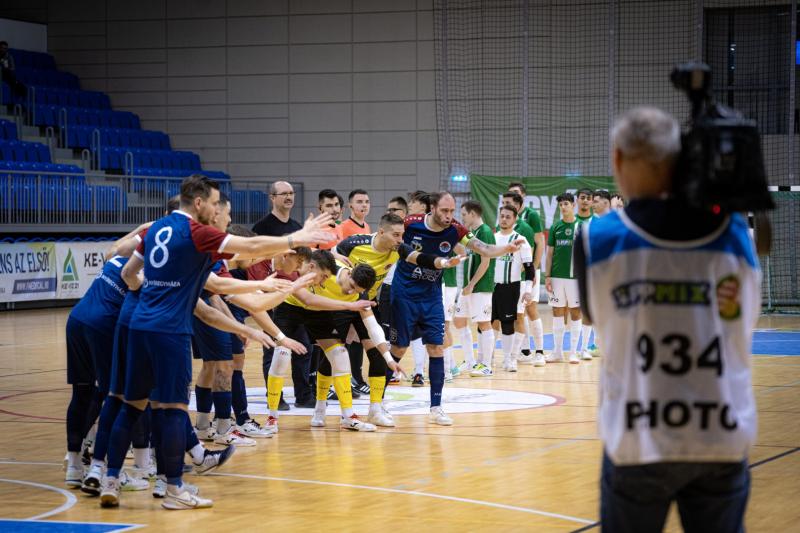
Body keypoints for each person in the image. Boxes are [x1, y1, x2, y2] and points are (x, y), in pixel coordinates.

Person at [100, 175, 334, 510]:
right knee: (172, 410)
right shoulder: (197, 232)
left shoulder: (155, 229)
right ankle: (174, 489)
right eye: (213, 203)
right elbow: (250, 247)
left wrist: (160, 294)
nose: (215, 209)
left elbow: (128, 275)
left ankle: (111, 478)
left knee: (132, 404)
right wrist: (297, 238)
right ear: (198, 203)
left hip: (138, 326)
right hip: (169, 331)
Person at [576, 106, 759, 533]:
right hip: (721, 432)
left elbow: (591, 314)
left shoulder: (596, 238)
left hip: (639, 436)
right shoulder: (736, 232)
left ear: (618, 159)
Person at [389, 191, 524, 425]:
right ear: (432, 208)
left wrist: (506, 249)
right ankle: (376, 402)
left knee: (436, 346)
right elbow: (395, 244)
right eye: (444, 210)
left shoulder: (456, 230)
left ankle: (436, 407)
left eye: (452, 211)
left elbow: (484, 249)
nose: (449, 215)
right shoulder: (411, 224)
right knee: (399, 347)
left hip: (431, 296)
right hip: (405, 294)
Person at [334, 213, 405, 423]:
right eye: (396, 235)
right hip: (341, 304)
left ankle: (375, 409)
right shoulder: (354, 243)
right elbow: (329, 259)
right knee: (334, 355)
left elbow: (420, 258)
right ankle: (324, 409)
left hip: (366, 304)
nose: (400, 240)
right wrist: (333, 255)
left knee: (376, 355)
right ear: (381, 232)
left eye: (402, 235)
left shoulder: (398, 250)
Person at [251, 180, 309, 410]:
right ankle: (275, 396)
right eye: (283, 193)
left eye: (291, 193)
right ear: (272, 198)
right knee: (274, 346)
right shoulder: (262, 226)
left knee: (304, 346)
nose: (289, 197)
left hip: (294, 295)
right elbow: (254, 258)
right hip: (269, 292)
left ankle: (304, 395)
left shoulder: (296, 225)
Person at [500, 191, 546, 365]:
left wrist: (532, 270)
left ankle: (539, 351)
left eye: (508, 202)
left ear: (518, 206)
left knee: (531, 309)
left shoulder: (526, 226)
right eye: (503, 202)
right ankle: (525, 351)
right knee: (518, 314)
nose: (504, 204)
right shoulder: (503, 227)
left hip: (524, 276)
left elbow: (535, 247)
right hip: (510, 278)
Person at [453, 200, 497, 377]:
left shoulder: (485, 232)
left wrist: (472, 284)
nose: (462, 218)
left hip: (480, 286)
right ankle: (470, 361)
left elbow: (486, 261)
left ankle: (486, 365)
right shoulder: (472, 233)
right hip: (468, 286)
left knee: (484, 324)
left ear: (473, 214)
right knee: (459, 320)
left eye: (464, 214)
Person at [492, 205, 534, 372]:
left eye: (508, 217)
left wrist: (528, 290)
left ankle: (510, 359)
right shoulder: (493, 238)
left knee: (508, 323)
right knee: (489, 322)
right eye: (502, 216)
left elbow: (529, 269)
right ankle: (488, 358)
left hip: (512, 286)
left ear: (515, 219)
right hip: (492, 287)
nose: (504, 219)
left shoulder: (520, 240)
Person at [544, 193, 583, 364]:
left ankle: (574, 352)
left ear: (573, 205)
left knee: (575, 312)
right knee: (557, 311)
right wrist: (547, 276)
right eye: (561, 204)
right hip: (557, 277)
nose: (563, 207)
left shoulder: (582, 226)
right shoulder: (555, 227)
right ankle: (557, 352)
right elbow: (550, 253)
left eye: (566, 204)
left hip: (576, 277)